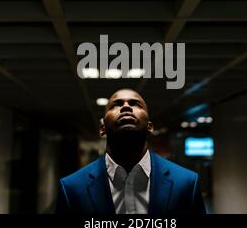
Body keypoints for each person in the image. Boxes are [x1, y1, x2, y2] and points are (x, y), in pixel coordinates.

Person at [55, 89, 206, 214]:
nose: (126, 107)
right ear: (102, 128)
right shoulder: (71, 188)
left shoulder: (186, 183)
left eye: (135, 104)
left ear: (150, 127)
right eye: (116, 105)